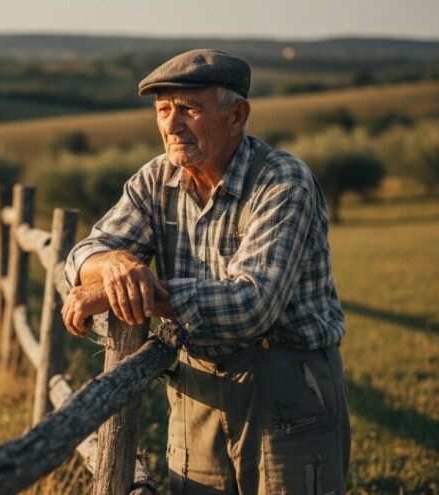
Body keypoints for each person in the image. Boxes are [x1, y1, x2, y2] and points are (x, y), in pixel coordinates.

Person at [60, 49, 350, 494]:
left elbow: (252, 304)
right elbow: (85, 254)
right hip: (195, 392)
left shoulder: (282, 180)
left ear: (237, 115)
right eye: (163, 110)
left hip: (287, 393)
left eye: (189, 110)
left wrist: (139, 292)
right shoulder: (156, 179)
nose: (172, 126)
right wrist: (115, 264)